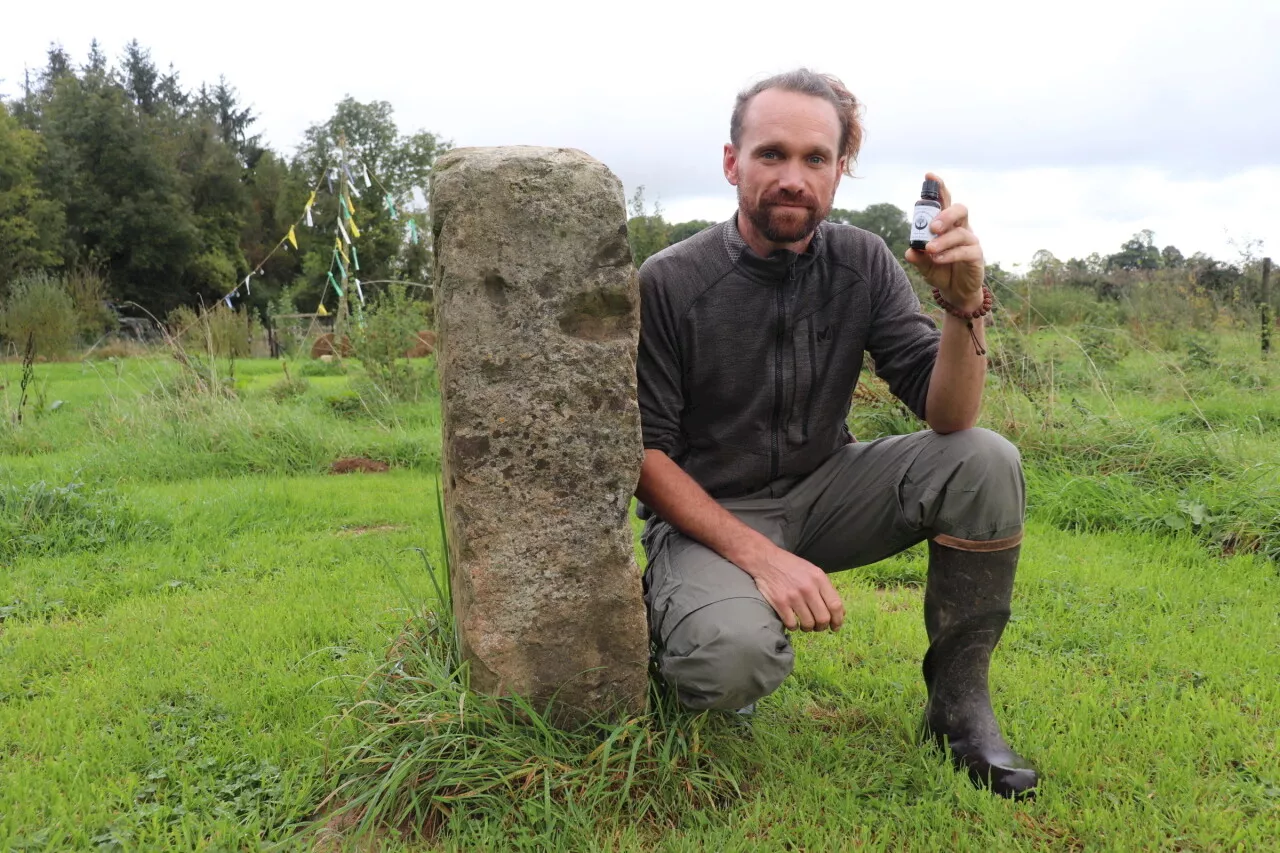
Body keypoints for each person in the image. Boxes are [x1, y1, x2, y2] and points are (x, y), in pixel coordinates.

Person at [633, 68, 1038, 798]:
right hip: (705, 516)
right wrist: (764, 560)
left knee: (985, 460)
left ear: (841, 169)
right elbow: (645, 454)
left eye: (816, 158)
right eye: (771, 154)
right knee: (729, 665)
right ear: (732, 163)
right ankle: (695, 626)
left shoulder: (863, 262)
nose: (794, 177)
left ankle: (959, 710)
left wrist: (963, 305)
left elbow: (949, 417)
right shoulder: (669, 282)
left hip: (827, 490)